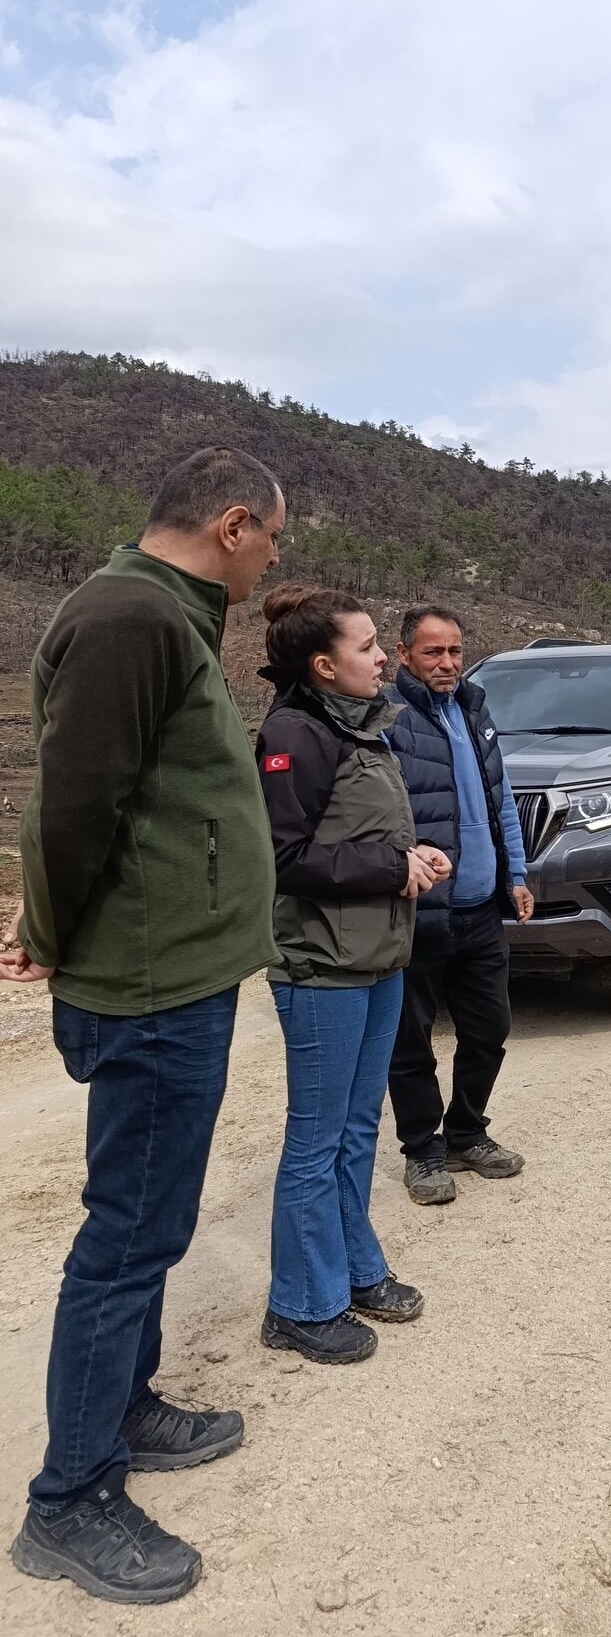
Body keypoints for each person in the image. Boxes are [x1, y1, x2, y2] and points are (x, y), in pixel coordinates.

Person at [4, 447, 284, 1606]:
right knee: (127, 1234)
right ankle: (70, 1499)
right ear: (230, 524)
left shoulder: (164, 610)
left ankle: (125, 1404)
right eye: (273, 535)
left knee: (152, 1222)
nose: (276, 557)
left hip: (178, 973)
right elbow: (71, 803)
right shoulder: (133, 615)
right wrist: (52, 933)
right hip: (150, 984)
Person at [255, 586, 450, 1364]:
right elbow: (285, 859)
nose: (382, 658)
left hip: (376, 960)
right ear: (324, 663)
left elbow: (365, 835)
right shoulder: (293, 734)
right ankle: (299, 1305)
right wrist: (389, 864)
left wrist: (416, 856)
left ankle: (354, 1269)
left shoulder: (366, 728)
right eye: (368, 646)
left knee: (357, 1130)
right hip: (321, 967)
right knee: (315, 1139)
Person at [384, 607, 533, 1206]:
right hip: (420, 911)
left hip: (479, 910)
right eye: (432, 653)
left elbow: (500, 804)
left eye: (454, 650)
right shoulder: (390, 719)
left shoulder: (475, 707)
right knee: (411, 1039)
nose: (447, 663)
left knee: (490, 1028)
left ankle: (466, 1132)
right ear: (403, 656)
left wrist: (516, 875)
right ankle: (422, 1149)